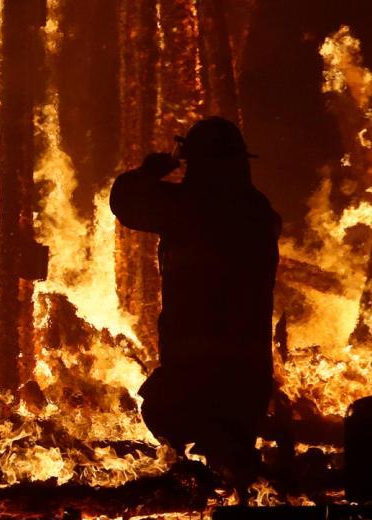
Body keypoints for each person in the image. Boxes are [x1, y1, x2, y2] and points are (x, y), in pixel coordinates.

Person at [109, 117, 281, 486]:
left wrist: (151, 170)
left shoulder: (187, 207)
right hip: (249, 365)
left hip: (195, 363)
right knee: (232, 446)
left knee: (164, 411)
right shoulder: (258, 211)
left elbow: (126, 202)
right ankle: (236, 491)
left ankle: (205, 484)